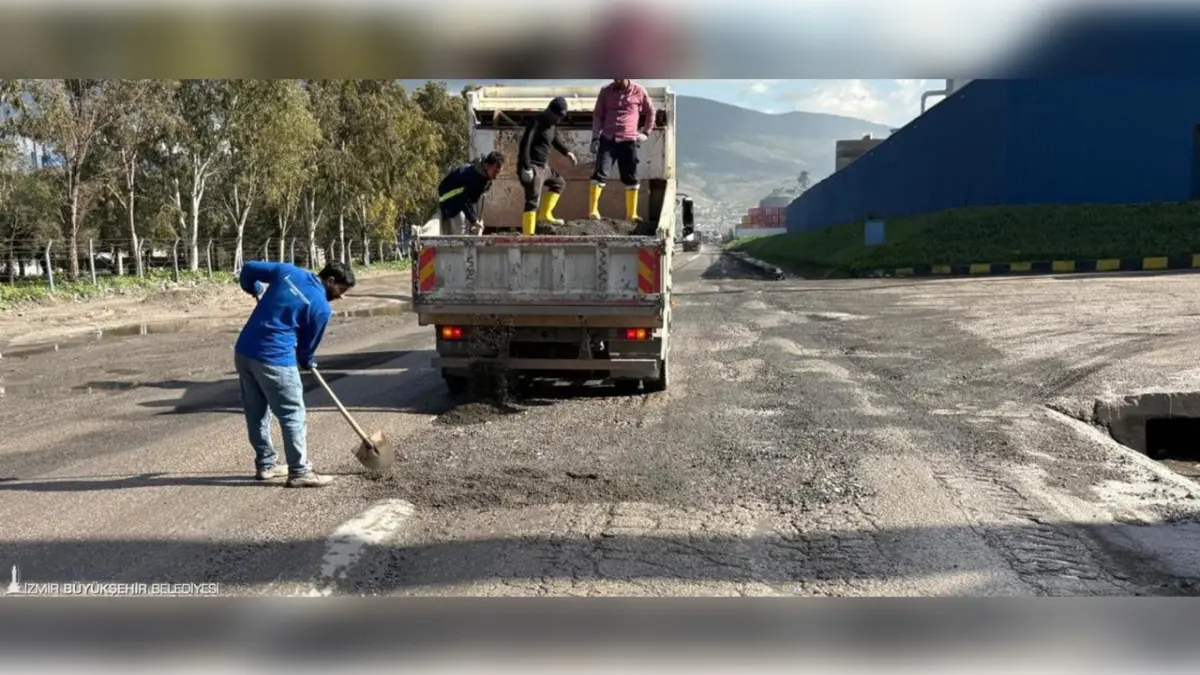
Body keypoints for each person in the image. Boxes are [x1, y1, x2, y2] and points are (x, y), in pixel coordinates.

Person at [234, 259, 356, 488]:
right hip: (275, 359)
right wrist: (308, 362)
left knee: (256, 410)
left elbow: (249, 268)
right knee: (292, 415)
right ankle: (299, 471)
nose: (341, 296)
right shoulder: (320, 306)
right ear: (330, 280)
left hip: (244, 352)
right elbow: (306, 350)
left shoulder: (288, 272)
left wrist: (254, 288)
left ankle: (266, 464)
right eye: (341, 290)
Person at [588, 79, 656, 222]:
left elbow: (650, 111)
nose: (617, 79)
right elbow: (598, 115)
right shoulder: (605, 91)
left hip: (629, 140)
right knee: (600, 174)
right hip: (608, 139)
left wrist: (646, 133)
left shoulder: (639, 90)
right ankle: (593, 211)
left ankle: (631, 215)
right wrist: (595, 138)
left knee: (631, 177)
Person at [518, 96, 578, 235]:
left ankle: (545, 214)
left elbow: (553, 139)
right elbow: (525, 145)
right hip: (533, 166)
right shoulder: (536, 122)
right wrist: (527, 167)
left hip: (544, 167)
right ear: (550, 111)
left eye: (561, 117)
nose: (559, 120)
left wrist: (567, 152)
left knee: (559, 183)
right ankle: (528, 235)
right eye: (557, 116)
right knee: (533, 201)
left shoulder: (551, 124)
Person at [436, 151, 505, 235]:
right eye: (495, 172)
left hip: (460, 199)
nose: (495, 177)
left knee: (468, 225)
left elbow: (474, 198)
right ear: (487, 166)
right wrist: (474, 220)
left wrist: (475, 219)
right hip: (450, 201)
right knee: (461, 231)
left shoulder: (483, 175)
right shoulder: (472, 176)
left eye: (498, 173)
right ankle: (460, 246)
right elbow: (464, 199)